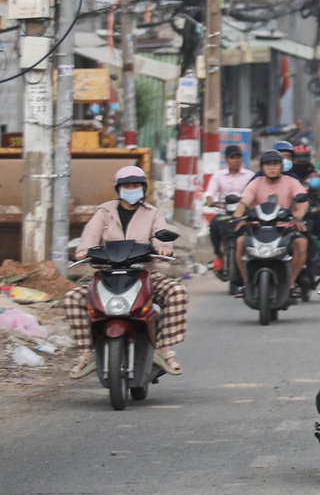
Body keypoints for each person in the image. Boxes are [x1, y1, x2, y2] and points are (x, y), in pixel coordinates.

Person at [64, 165, 188, 377]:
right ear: (118, 189)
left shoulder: (153, 213)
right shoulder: (104, 212)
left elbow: (160, 235)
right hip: (106, 275)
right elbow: (90, 235)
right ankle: (88, 352)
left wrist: (163, 247)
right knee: (72, 298)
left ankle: (163, 348)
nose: (131, 189)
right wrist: (83, 251)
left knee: (177, 292)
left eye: (135, 185)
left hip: (144, 274)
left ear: (143, 188)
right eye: (127, 186)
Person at [233, 150, 309, 296]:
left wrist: (300, 212)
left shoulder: (291, 182)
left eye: (275, 164)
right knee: (240, 242)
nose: (272, 167)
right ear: (262, 167)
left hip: (284, 228)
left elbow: (303, 199)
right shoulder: (256, 183)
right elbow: (245, 200)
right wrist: (239, 213)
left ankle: (291, 283)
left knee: (302, 243)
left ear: (281, 166)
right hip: (257, 228)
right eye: (268, 164)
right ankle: (245, 282)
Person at [203, 144, 253, 282]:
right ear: (226, 159)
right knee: (213, 225)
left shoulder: (250, 176)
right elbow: (210, 192)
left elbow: (255, 192)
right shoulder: (218, 176)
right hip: (224, 212)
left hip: (244, 214)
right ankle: (218, 255)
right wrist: (209, 199)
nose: (236, 160)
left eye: (238, 157)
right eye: (232, 157)